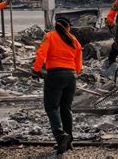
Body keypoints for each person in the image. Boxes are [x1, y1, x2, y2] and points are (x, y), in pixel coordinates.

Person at [32, 17, 82, 155]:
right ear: (67, 27)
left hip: (55, 75)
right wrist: (71, 74)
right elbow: (79, 65)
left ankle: (61, 137)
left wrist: (36, 69)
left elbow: (41, 53)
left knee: (52, 107)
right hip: (71, 76)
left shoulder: (50, 36)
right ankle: (69, 141)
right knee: (66, 108)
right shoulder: (74, 40)